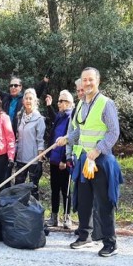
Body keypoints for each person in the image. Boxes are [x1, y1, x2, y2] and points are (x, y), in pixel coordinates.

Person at [56, 67, 123, 257]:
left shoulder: (105, 103)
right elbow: (79, 131)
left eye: (90, 80)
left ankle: (110, 242)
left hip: (101, 160)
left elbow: (113, 132)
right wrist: (67, 138)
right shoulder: (81, 104)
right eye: (84, 80)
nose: (87, 83)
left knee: (104, 203)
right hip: (85, 160)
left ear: (98, 81)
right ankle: (84, 235)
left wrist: (97, 149)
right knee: (84, 201)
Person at [45, 90, 74, 228]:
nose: (59, 103)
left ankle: (67, 217)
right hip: (54, 159)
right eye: (59, 101)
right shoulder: (61, 116)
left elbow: (69, 140)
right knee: (54, 188)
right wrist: (49, 106)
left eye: (62, 101)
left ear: (69, 103)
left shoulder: (70, 118)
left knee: (65, 189)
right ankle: (54, 216)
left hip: (64, 160)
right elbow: (53, 118)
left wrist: (64, 159)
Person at [14, 88, 46, 200]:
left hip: (33, 160)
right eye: (26, 98)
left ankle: (34, 213)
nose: (28, 101)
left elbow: (40, 140)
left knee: (33, 189)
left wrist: (40, 160)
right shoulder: (20, 117)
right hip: (20, 158)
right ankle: (18, 212)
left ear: (35, 101)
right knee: (18, 187)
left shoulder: (39, 119)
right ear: (23, 101)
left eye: (30, 99)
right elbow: (18, 137)